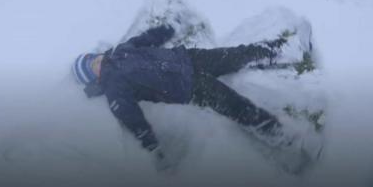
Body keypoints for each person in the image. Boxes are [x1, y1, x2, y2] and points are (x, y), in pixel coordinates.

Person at [72, 25, 307, 171]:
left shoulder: (121, 49)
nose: (96, 63)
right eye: (91, 68)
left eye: (92, 59)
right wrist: (150, 143)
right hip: (188, 86)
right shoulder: (113, 86)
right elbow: (130, 116)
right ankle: (284, 139)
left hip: (189, 58)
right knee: (236, 106)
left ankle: (287, 48)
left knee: (236, 54)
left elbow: (147, 39)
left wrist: (168, 29)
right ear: (94, 78)